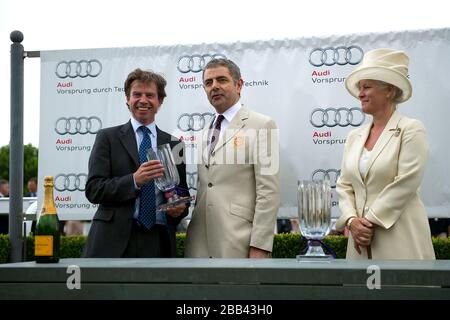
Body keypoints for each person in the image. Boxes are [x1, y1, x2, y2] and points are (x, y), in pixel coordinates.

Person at [335, 48, 435, 259]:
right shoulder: (355, 136)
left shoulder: (412, 129)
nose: (360, 93)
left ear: (389, 90)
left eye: (367, 87)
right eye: (360, 88)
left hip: (401, 244)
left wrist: (368, 221)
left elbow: (406, 183)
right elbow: (344, 185)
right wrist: (352, 221)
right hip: (359, 246)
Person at [83, 68, 189, 258]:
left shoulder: (175, 144)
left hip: (160, 240)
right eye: (137, 94)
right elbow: (93, 189)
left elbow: (181, 192)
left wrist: (178, 209)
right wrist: (133, 180)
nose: (143, 100)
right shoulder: (107, 138)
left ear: (160, 101)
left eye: (150, 95)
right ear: (127, 99)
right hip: (113, 241)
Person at [185, 59, 280, 258]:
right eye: (208, 83)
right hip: (199, 244)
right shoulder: (204, 132)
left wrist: (261, 245)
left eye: (222, 80)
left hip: (240, 242)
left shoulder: (262, 125)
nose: (215, 86)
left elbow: (268, 191)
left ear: (239, 85)